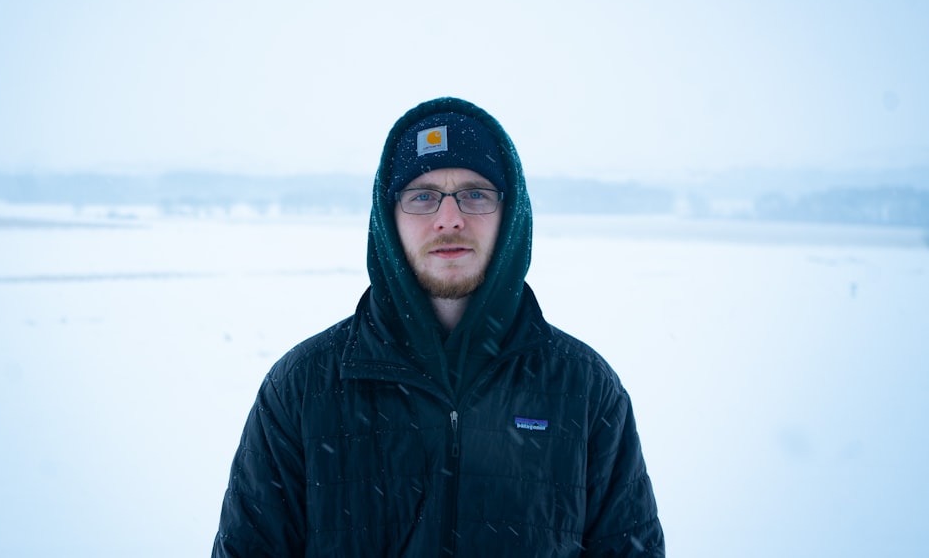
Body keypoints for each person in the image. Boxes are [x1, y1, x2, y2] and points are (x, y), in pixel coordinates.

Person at [211, 97, 664, 556]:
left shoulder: (584, 390)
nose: (450, 218)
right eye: (422, 196)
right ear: (389, 220)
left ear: (511, 216)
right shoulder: (303, 389)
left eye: (476, 194)